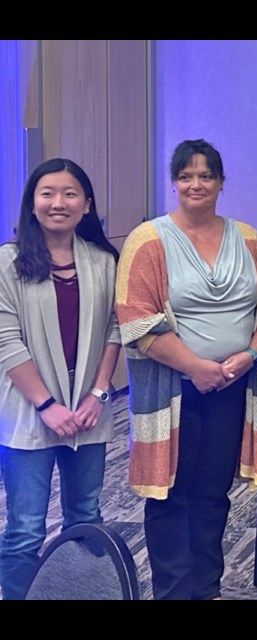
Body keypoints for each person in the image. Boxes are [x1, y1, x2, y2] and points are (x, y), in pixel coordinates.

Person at [116, 139, 257, 600]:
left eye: (206, 176)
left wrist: (250, 354)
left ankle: (207, 588)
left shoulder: (248, 238)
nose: (196, 184)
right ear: (174, 183)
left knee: (212, 493)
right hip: (173, 391)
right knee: (170, 493)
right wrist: (196, 367)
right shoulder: (148, 240)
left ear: (222, 183)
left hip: (232, 388)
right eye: (186, 176)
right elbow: (136, 319)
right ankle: (172, 590)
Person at [0, 158, 121, 600]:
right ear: (32, 204)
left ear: (86, 205)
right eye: (47, 193)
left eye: (70, 194)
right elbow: (5, 341)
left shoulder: (105, 261)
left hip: (89, 412)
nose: (58, 203)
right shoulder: (8, 262)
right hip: (27, 414)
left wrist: (98, 393)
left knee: (86, 518)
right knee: (26, 529)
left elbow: (116, 328)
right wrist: (47, 405)